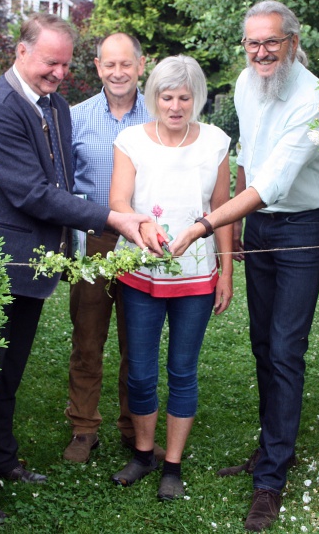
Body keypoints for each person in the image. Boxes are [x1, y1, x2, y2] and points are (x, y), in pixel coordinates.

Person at [0, 13, 157, 525]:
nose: (58, 73)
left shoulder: (55, 106)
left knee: (9, 373)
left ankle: (2, 459)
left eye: (65, 64)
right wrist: (109, 217)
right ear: (21, 52)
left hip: (33, 264)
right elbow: (32, 193)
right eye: (51, 62)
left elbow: (62, 179)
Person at [169, 0, 319, 531]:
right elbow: (248, 159)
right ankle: (271, 449)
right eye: (252, 43)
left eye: (271, 42)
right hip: (260, 222)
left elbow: (274, 185)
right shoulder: (248, 82)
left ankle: (270, 479)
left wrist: (205, 225)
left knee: (287, 348)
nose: (261, 52)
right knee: (263, 344)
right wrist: (237, 229)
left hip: (303, 226)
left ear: (292, 41)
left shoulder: (315, 101)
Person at [108, 55, 234, 501]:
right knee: (140, 373)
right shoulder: (130, 141)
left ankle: (173, 465)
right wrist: (143, 226)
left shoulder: (216, 142)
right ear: (154, 97)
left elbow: (222, 211)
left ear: (196, 98)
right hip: (139, 272)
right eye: (167, 96)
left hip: (196, 278)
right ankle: (143, 454)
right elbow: (119, 202)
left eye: (185, 97)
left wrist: (227, 272)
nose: (176, 106)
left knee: (183, 370)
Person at [63, 33, 164, 463]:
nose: (118, 73)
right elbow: (63, 186)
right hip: (96, 240)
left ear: (142, 65)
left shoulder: (160, 117)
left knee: (136, 340)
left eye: (127, 64)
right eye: (110, 65)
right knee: (88, 339)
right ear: (98, 66)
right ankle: (84, 427)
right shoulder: (76, 118)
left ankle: (131, 425)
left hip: (144, 239)